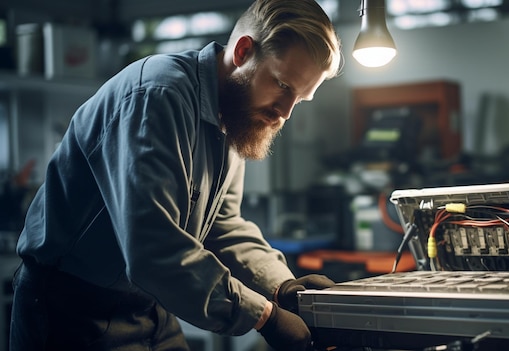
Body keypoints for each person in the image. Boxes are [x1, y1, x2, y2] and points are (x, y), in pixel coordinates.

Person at [9, 0, 342, 350]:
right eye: (282, 86)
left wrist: (282, 287)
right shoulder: (157, 97)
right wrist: (264, 316)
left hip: (147, 304)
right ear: (243, 51)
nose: (285, 114)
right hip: (70, 310)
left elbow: (222, 227)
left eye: (300, 99)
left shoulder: (232, 116)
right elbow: (153, 248)